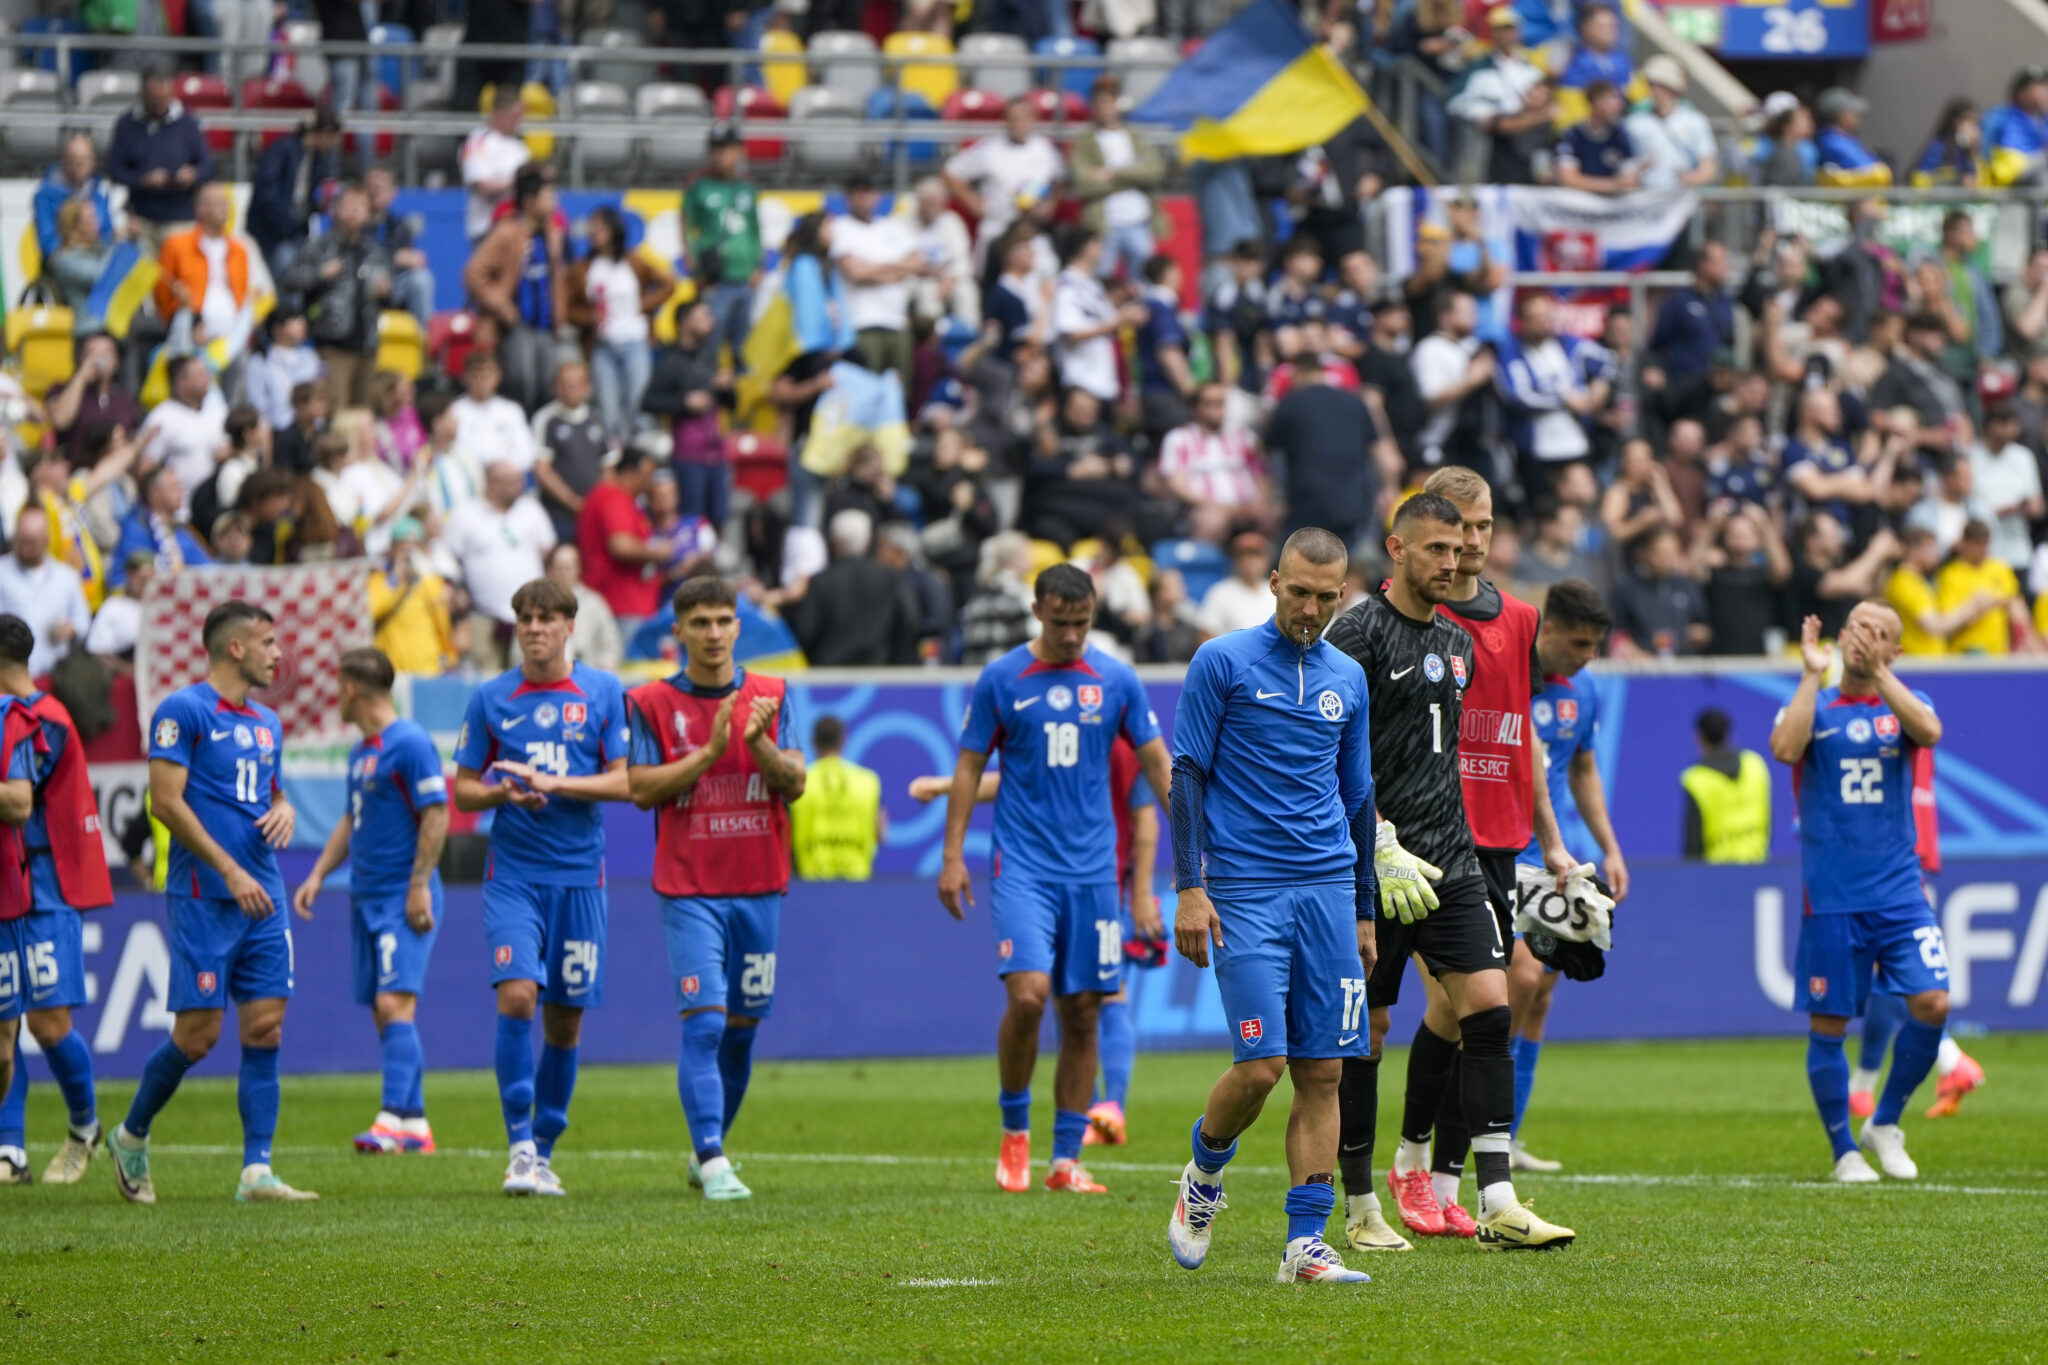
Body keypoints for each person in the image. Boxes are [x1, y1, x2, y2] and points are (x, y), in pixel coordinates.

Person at [1323, 493, 1576, 1252]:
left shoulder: (1457, 644)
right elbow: (1325, 748)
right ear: (1397, 550)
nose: (1454, 559)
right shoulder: (1357, 632)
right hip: (1370, 864)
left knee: (1491, 1006)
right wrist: (1373, 834)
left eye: (1460, 548)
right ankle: (1362, 1203)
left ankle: (1496, 1196)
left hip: (1450, 854)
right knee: (1364, 1034)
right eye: (1436, 548)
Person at [1161, 526, 1377, 1281]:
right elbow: (1185, 775)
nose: (1311, 608)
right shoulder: (1221, 660)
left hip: (1328, 886)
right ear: (1274, 581)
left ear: (1342, 594)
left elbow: (1359, 798)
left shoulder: (1347, 676)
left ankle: (1304, 1245)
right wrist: (1190, 886)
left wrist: (1364, 908)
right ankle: (1202, 1176)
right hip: (1245, 889)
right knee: (1262, 1064)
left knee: (1324, 1071)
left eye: (1326, 596)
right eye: (1299, 591)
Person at [940, 563, 1170, 1197]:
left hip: (1095, 874)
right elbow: (967, 769)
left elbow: (1157, 766)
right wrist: (953, 854)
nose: (1072, 635)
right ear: (1038, 612)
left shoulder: (1117, 680)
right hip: (1025, 869)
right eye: (1061, 623)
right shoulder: (1003, 678)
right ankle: (1015, 1130)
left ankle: (1065, 1159)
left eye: (1083, 623)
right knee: (1029, 995)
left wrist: (1204, 848)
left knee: (1084, 1011)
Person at [1404, 466, 1578, 1200]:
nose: (1473, 543)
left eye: (1484, 528)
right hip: (1418, 841)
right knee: (1432, 1012)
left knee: (1475, 1006)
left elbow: (1525, 742)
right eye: (1460, 529)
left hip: (1499, 840)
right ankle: (1397, 1173)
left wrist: (1554, 838)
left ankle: (1440, 1179)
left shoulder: (1521, 620)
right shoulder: (1409, 624)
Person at [111, 602, 312, 1205]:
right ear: (236, 648)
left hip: (264, 895)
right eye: (270, 643)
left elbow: (271, 794)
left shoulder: (268, 723)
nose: (278, 654)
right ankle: (131, 1135)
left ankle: (257, 1171)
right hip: (206, 895)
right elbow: (166, 803)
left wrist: (286, 809)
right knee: (197, 1037)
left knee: (267, 1028)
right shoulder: (183, 711)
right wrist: (228, 869)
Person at [626, 578, 806, 1200]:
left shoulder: (775, 696)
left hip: (759, 886)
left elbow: (796, 783)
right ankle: (711, 1156)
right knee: (703, 1025)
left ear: (738, 627)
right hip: (690, 888)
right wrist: (708, 753)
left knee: (742, 1028)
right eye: (698, 622)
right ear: (676, 631)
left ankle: (712, 1148)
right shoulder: (649, 702)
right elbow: (642, 789)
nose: (712, 633)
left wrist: (755, 743)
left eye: (723, 620)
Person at [452, 578, 632, 1197]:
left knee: (564, 1023)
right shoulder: (491, 698)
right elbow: (464, 788)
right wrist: (504, 791)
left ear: (568, 626)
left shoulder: (605, 692)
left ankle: (546, 1148)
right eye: (525, 618)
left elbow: (623, 783)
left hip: (582, 878)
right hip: (515, 875)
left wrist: (554, 785)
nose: (534, 627)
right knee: (519, 997)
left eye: (546, 617)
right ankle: (520, 1146)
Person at [1769, 606, 1947, 1182]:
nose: (1863, 639)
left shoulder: (1906, 704)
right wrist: (1809, 673)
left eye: (1879, 635)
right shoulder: (1814, 703)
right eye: (1856, 629)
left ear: (1894, 651)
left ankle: (1885, 1121)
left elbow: (1930, 732)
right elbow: (1785, 749)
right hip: (1833, 897)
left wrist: (1881, 676)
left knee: (1933, 1002)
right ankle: (1845, 1149)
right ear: (1839, 638)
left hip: (1900, 893)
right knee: (1829, 1025)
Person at [291, 648, 448, 1155]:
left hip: (404, 896)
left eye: (339, 687)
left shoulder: (411, 743)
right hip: (367, 895)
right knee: (386, 1014)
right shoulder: (363, 751)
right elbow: (349, 818)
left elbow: (437, 814)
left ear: (352, 689)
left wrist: (419, 884)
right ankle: (416, 1125)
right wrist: (317, 873)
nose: (336, 697)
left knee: (393, 1003)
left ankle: (388, 1121)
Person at [1509, 579, 1625, 1165]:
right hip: (1499, 851)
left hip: (1553, 856)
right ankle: (1469, 1125)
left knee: (1543, 991)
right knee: (1519, 983)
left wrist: (1610, 847)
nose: (1587, 656)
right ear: (1546, 628)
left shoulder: (1586, 690)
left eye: (1594, 645)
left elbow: (1582, 770)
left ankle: (1505, 1132)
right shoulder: (1504, 670)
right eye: (1579, 643)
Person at [0, 615, 114, 1186]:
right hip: (7, 886)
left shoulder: (46, 720)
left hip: (45, 885)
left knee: (47, 1023)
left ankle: (83, 1127)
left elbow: (19, 799)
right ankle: (10, 1148)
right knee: (4, 1020)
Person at [280, 183, 393, 408]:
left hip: (368, 341)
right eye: (348, 206)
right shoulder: (319, 246)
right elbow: (289, 280)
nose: (353, 213)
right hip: (333, 343)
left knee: (365, 410)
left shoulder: (373, 250)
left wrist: (385, 292)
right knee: (334, 407)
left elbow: (388, 294)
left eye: (360, 207)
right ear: (335, 210)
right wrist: (320, 274)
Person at [464, 168, 566, 414]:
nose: (554, 200)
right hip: (515, 328)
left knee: (547, 391)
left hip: (545, 328)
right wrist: (502, 306)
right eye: (548, 194)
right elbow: (473, 273)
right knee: (521, 387)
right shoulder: (507, 232)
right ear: (529, 201)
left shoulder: (551, 235)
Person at [567, 205, 672, 440]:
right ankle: (614, 461)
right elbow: (567, 307)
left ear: (614, 230)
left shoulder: (633, 262)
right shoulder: (583, 269)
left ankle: (643, 458)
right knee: (608, 409)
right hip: (602, 345)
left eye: (600, 227)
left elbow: (668, 284)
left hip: (635, 341)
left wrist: (644, 305)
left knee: (639, 405)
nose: (594, 233)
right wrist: (588, 317)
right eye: (592, 228)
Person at [444, 462, 557, 670]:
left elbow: (550, 553)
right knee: (488, 681)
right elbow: (448, 559)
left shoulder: (531, 510)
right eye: (511, 482)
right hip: (483, 617)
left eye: (519, 480)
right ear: (491, 483)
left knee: (527, 680)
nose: (519, 486)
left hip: (529, 617)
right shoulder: (466, 514)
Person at [784, 509, 921, 666]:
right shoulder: (890, 578)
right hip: (879, 675)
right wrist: (897, 663)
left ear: (834, 540)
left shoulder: (820, 582)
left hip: (828, 677)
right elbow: (909, 621)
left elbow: (806, 631)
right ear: (868, 540)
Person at [942, 97, 1064, 267]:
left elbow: (1059, 179)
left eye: (1023, 118)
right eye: (1013, 118)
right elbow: (951, 171)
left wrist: (1050, 204)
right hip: (997, 229)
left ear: (1032, 119)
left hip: (1032, 232)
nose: (1018, 124)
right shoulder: (990, 149)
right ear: (1005, 121)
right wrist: (974, 203)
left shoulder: (1044, 149)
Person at [832, 175, 930, 387]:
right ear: (848, 198)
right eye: (857, 193)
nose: (863, 198)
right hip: (861, 322)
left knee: (900, 391)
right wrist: (899, 267)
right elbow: (856, 273)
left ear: (877, 196)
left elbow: (920, 265)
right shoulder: (840, 227)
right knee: (865, 388)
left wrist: (873, 268)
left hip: (898, 321)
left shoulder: (893, 226)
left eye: (867, 192)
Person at [107, 68, 216, 252]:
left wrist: (192, 174)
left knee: (177, 276)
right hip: (141, 217)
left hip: (180, 216)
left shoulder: (188, 123)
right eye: (154, 98)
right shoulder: (127, 124)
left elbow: (208, 165)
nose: (159, 104)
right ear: (143, 93)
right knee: (143, 277)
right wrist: (142, 180)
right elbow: (114, 170)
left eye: (164, 98)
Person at [681, 126, 763, 368]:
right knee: (711, 342)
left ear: (738, 151)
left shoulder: (747, 187)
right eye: (716, 150)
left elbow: (755, 228)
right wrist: (694, 262)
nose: (722, 156)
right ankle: (709, 399)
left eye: (727, 149)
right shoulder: (699, 186)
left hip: (745, 276)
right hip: (715, 277)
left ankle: (740, 400)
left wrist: (758, 264)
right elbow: (687, 225)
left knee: (744, 346)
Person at [1070, 76, 1167, 282]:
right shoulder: (1086, 141)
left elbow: (1154, 171)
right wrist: (1133, 175)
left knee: (1145, 281)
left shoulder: (1134, 136)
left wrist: (1113, 172)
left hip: (1139, 221)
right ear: (1094, 106)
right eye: (1101, 101)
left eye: (1110, 101)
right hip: (1105, 224)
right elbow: (1085, 182)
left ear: (1118, 103)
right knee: (1102, 281)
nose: (1106, 107)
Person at [1447, 6, 1551, 186]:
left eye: (1511, 28)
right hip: (1488, 138)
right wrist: (1483, 114)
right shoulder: (1477, 68)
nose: (1507, 34)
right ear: (1493, 32)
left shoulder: (1531, 70)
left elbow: (1546, 104)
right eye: (1501, 29)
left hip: (1525, 141)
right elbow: (1455, 100)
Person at [1156, 384, 1267, 545]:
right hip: (1204, 508)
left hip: (1246, 507)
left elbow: (1262, 476)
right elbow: (1178, 485)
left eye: (1220, 403)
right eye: (1210, 403)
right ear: (1195, 408)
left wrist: (1260, 503)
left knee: (1274, 514)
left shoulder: (1244, 437)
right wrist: (1220, 507)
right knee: (1212, 520)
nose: (1217, 409)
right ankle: (1206, 567)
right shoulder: (1179, 439)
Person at [576, 442, 668, 630]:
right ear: (628, 473)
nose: (649, 484)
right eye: (646, 477)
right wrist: (659, 552)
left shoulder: (614, 498)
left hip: (624, 602)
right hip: (622, 603)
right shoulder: (613, 498)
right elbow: (621, 546)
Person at [246, 109, 343, 279]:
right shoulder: (282, 151)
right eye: (334, 139)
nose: (335, 145)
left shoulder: (317, 159)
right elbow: (267, 195)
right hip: (272, 234)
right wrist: (289, 226)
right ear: (326, 133)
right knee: (289, 278)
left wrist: (317, 206)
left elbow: (309, 197)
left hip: (294, 232)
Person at [152, 183, 251, 348]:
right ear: (201, 209)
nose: (226, 209)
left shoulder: (239, 249)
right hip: (191, 329)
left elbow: (242, 292)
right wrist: (188, 316)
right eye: (219, 203)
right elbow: (161, 294)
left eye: (226, 203)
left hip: (232, 334)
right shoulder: (176, 244)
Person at [0, 506, 91, 676]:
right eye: (21, 540)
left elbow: (83, 620)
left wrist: (72, 628)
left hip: (57, 674)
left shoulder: (67, 576)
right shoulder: (1, 571)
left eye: (32, 542)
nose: (25, 548)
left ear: (46, 541)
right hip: (11, 674)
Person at [790, 714, 883, 882]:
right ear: (843, 741)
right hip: (858, 882)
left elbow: (786, 832)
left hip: (810, 884)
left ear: (813, 741)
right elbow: (880, 832)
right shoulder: (868, 781)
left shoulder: (799, 781)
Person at [530, 360, 611, 543]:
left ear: (587, 387)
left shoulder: (597, 418)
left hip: (594, 511)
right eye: (564, 385)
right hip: (558, 512)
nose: (569, 389)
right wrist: (574, 502)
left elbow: (608, 467)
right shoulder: (546, 419)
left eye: (575, 385)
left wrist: (597, 504)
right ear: (555, 388)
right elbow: (542, 470)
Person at [368, 519, 460, 675]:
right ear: (391, 549)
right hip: (391, 672)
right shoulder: (378, 580)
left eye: (413, 548)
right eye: (402, 548)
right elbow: (372, 609)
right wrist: (395, 578)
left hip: (427, 671)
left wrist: (448, 657)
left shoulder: (431, 582)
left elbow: (442, 623)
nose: (408, 554)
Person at [1680, 707, 1770, 863]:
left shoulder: (1695, 778)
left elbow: (1692, 844)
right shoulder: (1755, 764)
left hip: (1716, 876)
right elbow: (1769, 823)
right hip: (1759, 866)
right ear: (1728, 734)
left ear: (1699, 738)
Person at [1935, 519, 2032, 656]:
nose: (1982, 549)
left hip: (1998, 652)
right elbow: (1947, 620)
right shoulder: (1950, 575)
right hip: (1965, 652)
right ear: (1965, 543)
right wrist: (1975, 606)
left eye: (1985, 543)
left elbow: (2015, 604)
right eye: (1977, 544)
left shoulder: (2001, 569)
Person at [1625, 54, 1718, 191]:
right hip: (1643, 199)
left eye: (1656, 84)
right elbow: (1623, 164)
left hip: (1682, 201)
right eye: (1651, 83)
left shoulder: (1695, 120)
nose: (1652, 88)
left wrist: (1690, 178)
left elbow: (1708, 168)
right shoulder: (1634, 121)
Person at [111, 465, 212, 590]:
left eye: (180, 486)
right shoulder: (136, 528)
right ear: (155, 494)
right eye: (173, 487)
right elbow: (123, 578)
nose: (180, 492)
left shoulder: (181, 531)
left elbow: (207, 569)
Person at [460, 87, 531, 245]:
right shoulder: (477, 141)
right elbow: (482, 185)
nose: (519, 122)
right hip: (486, 227)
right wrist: (519, 182)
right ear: (499, 113)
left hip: (515, 226)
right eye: (515, 116)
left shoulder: (520, 148)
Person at [451, 349, 537, 475]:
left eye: (486, 376)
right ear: (465, 378)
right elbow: (455, 453)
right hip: (470, 478)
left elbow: (525, 452)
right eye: (475, 376)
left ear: (498, 376)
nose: (481, 382)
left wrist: (504, 471)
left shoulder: (512, 410)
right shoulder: (453, 411)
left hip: (508, 479)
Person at [32, 133, 115, 262]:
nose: (77, 164)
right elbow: (48, 242)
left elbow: (107, 234)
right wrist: (76, 258)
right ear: (63, 160)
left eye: (83, 159)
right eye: (72, 158)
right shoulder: (45, 196)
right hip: (63, 265)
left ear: (92, 162)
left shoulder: (99, 195)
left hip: (96, 261)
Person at [1196, 531, 1278, 639]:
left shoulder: (1276, 592)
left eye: (1256, 555)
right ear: (1235, 560)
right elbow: (1205, 636)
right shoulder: (1220, 592)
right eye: (1244, 555)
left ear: (1266, 560)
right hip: (1232, 654)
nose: (1250, 561)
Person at [1814, 87, 1892, 188]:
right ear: (1841, 115)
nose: (1858, 116)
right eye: (1852, 112)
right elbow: (1876, 173)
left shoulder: (1845, 139)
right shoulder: (1832, 142)